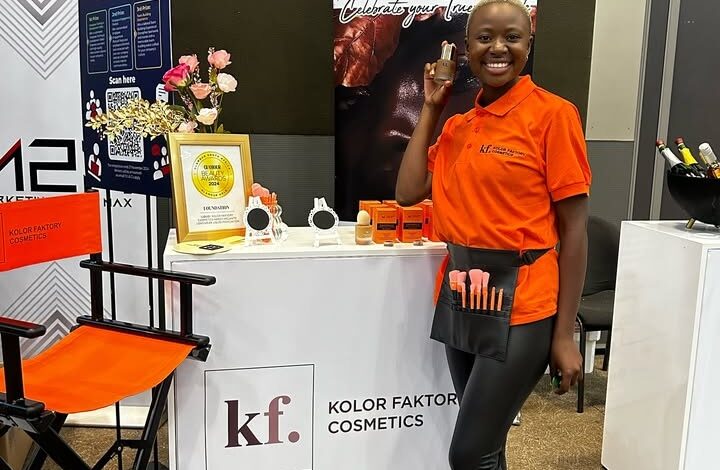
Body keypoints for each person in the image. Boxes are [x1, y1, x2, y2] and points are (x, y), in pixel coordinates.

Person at [395, 1, 591, 469]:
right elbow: (407, 192)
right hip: (462, 293)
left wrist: (565, 334)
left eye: (512, 37)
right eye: (484, 38)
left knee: (469, 453)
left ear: (529, 44)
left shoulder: (553, 115)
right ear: (466, 48)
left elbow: (575, 229)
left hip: (524, 302)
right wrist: (431, 108)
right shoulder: (459, 126)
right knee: (487, 446)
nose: (498, 48)